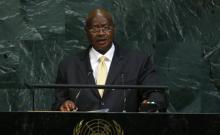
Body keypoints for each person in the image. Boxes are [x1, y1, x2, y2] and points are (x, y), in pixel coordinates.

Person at [52, 8, 167, 112]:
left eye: (106, 28)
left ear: (114, 29)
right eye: (95, 28)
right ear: (86, 31)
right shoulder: (68, 65)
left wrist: (152, 103)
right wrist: (63, 104)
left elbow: (155, 93)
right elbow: (58, 102)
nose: (101, 33)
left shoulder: (138, 62)